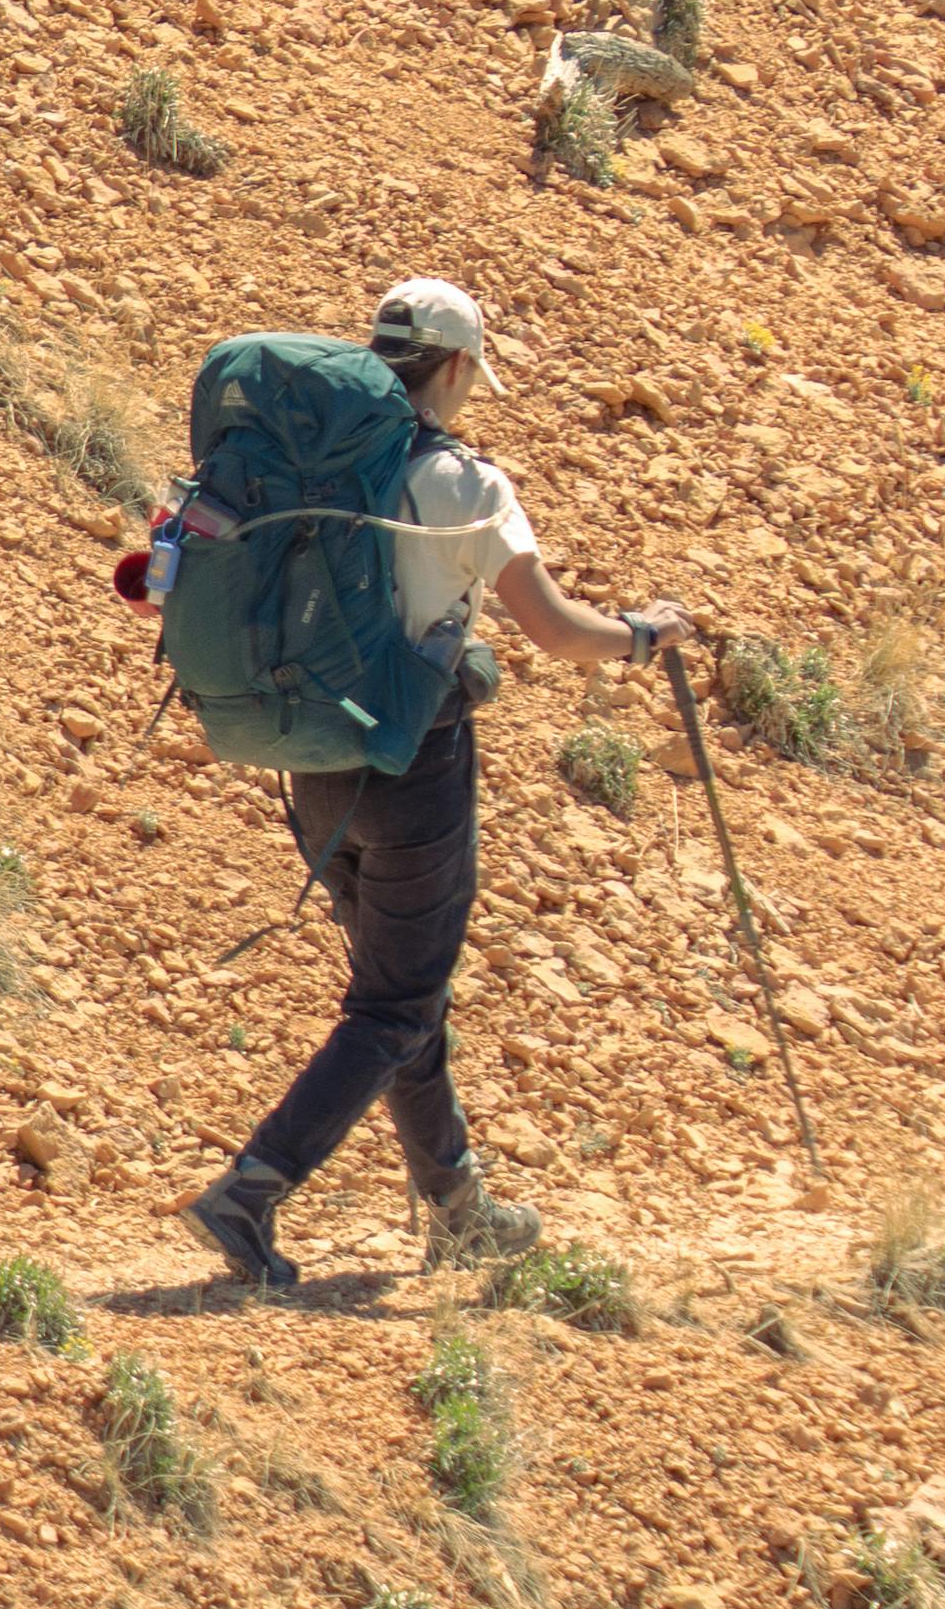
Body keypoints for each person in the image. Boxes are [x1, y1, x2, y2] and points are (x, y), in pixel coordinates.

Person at [177, 272, 668, 1298]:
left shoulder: (308, 461)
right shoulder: (458, 482)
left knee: (403, 994)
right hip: (410, 769)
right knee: (393, 1002)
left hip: (306, 763)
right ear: (451, 367)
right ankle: (250, 1188)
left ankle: (455, 1206)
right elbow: (555, 630)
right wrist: (639, 637)